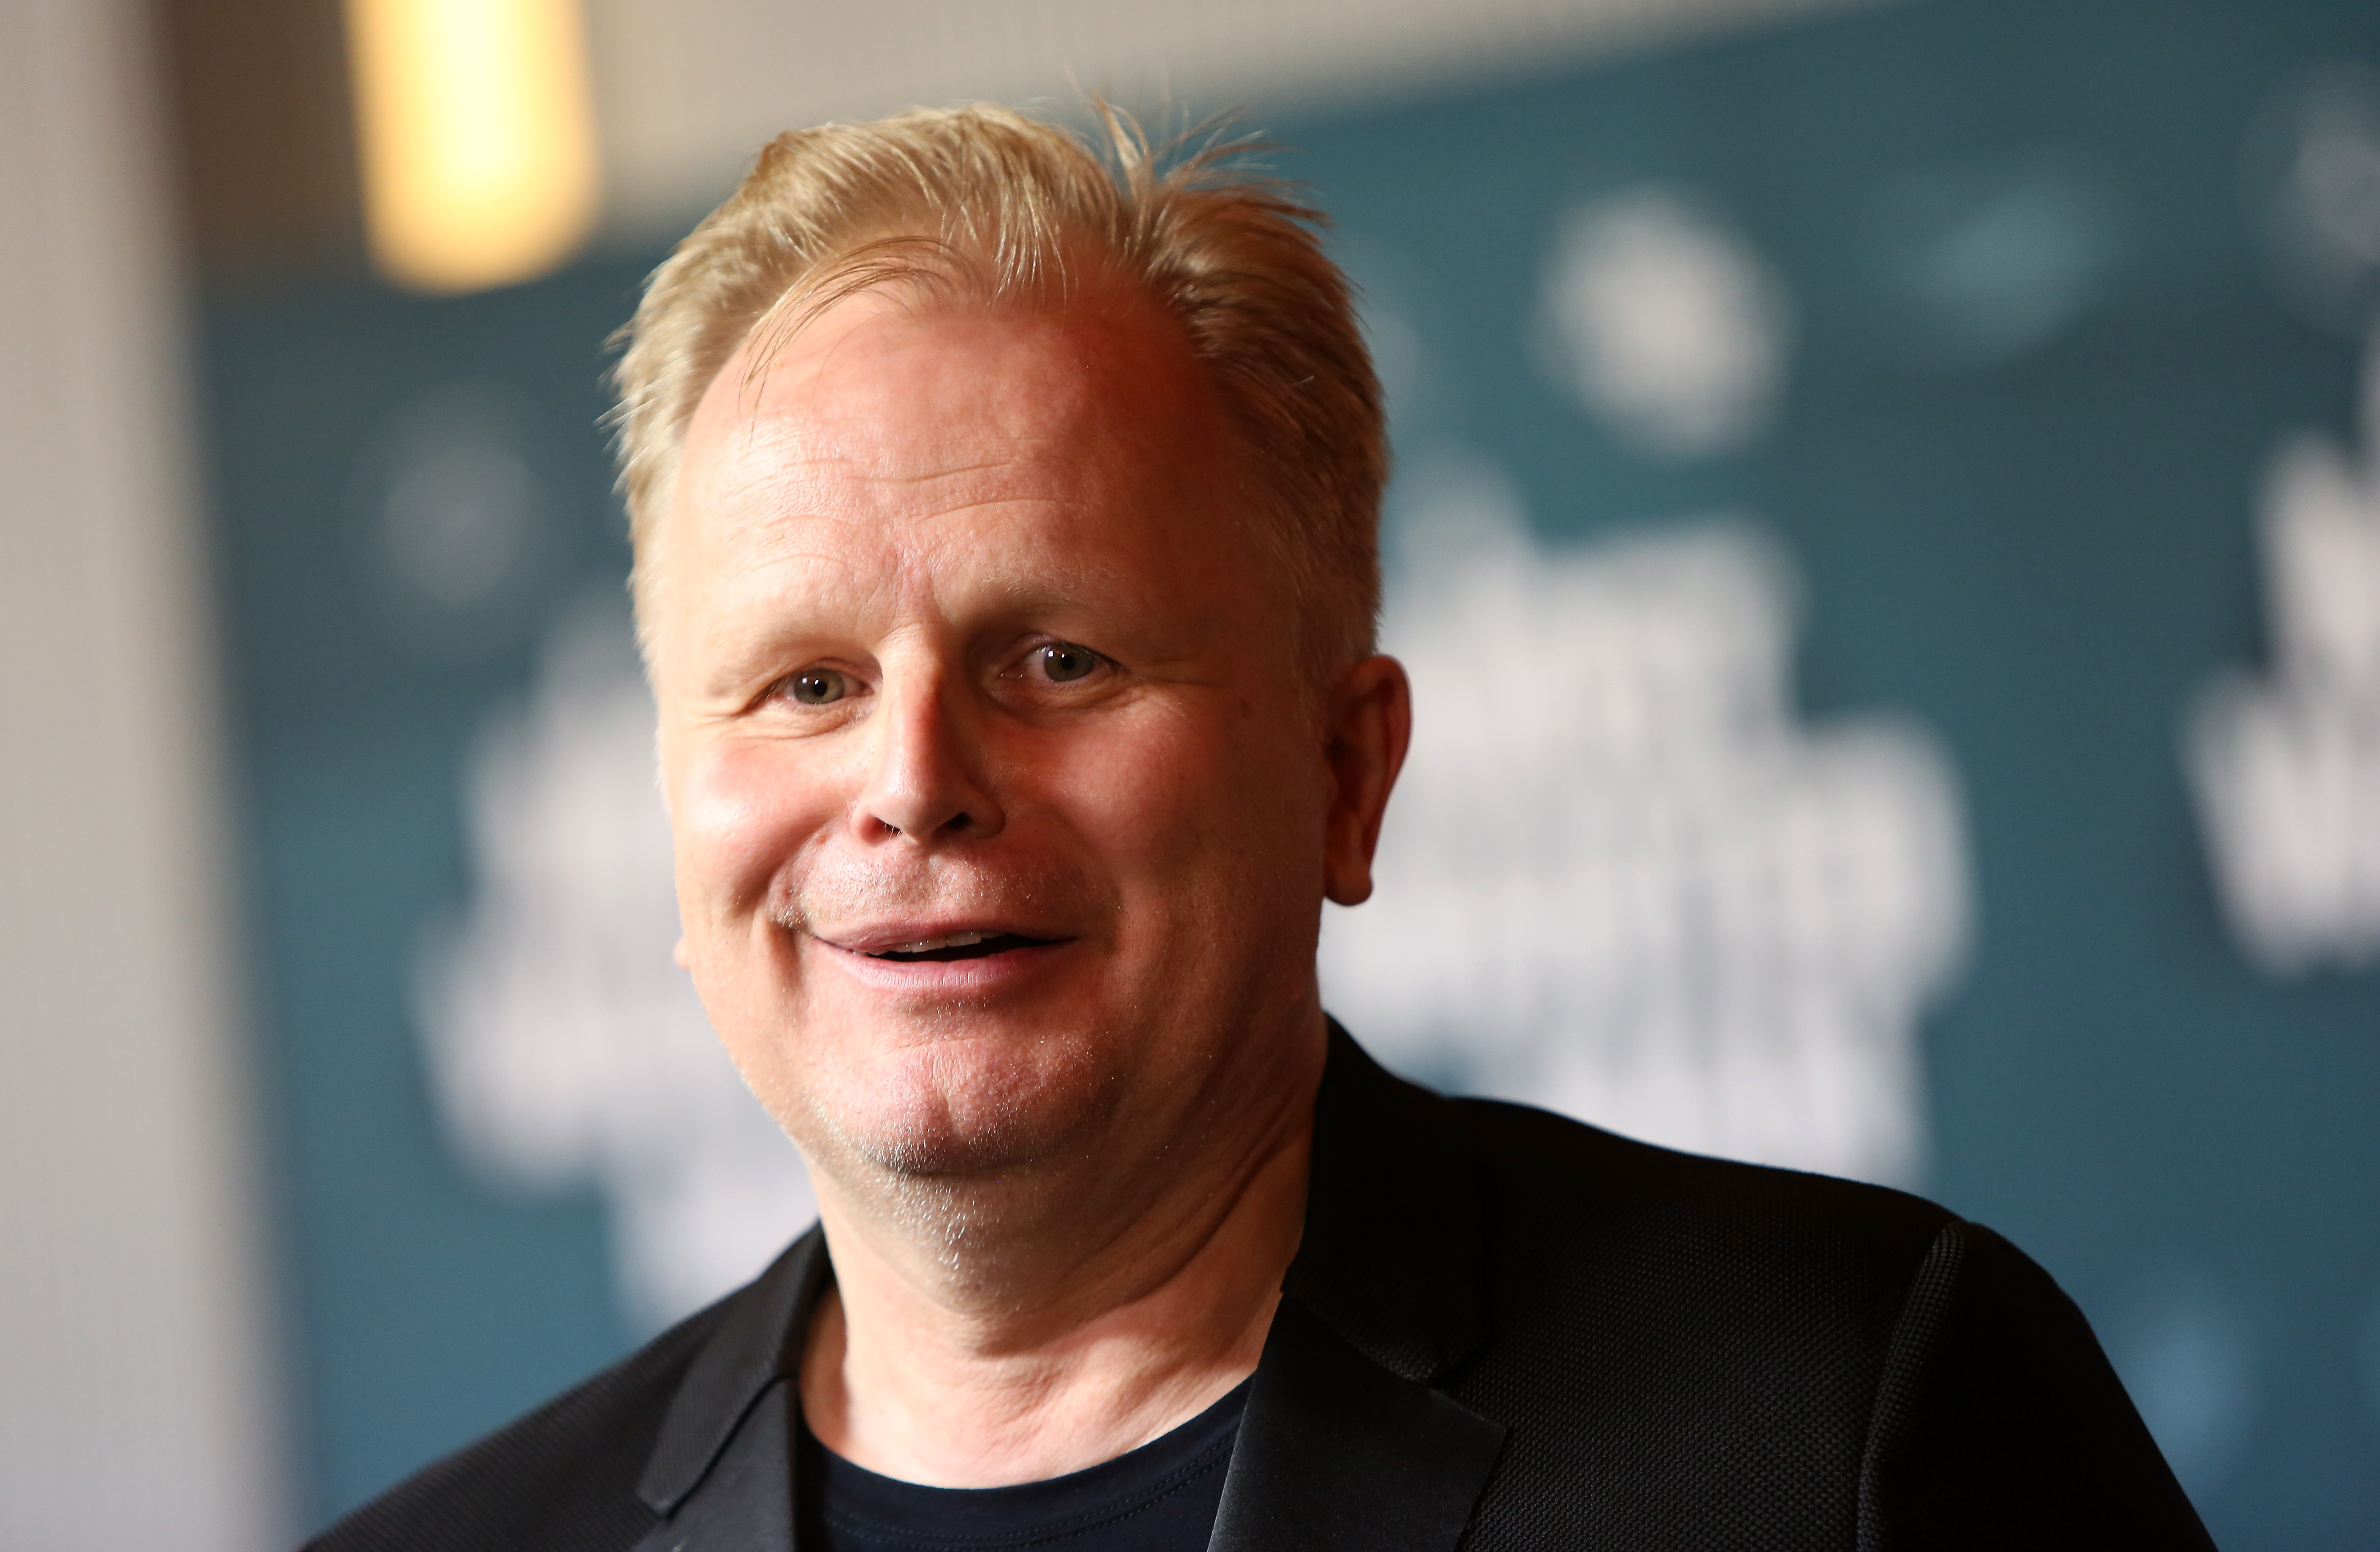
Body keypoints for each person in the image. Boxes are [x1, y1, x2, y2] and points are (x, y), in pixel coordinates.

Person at [310, 104, 2213, 1552]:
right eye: (802, 682)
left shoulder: (1844, 1427)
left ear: (1342, 769)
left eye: (1056, 657)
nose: (910, 779)